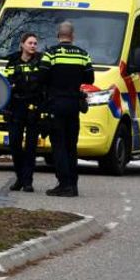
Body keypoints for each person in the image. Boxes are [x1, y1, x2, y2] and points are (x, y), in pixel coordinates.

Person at [38, 21, 94, 197]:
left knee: (59, 145)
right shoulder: (83, 55)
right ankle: (73, 184)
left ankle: (64, 184)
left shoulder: (51, 54)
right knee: (71, 145)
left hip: (56, 104)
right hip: (73, 106)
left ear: (58, 35)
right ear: (73, 36)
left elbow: (41, 77)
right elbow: (90, 78)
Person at [3, 32, 43, 192]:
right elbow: (6, 83)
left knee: (31, 146)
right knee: (14, 144)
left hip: (33, 106)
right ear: (22, 44)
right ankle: (20, 177)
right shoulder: (12, 60)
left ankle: (28, 181)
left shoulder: (40, 61)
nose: (33, 46)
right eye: (30, 43)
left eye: (35, 43)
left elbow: (43, 83)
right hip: (16, 107)